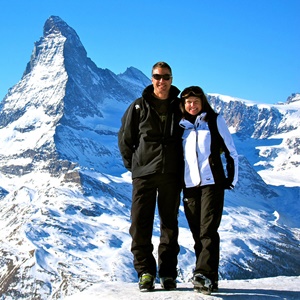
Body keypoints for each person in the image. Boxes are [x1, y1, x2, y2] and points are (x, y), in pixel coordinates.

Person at [118, 62, 183, 292]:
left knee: (170, 226)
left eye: (165, 77)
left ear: (171, 79)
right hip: (144, 175)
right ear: (151, 78)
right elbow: (125, 138)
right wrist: (135, 166)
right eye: (157, 76)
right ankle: (145, 272)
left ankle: (167, 274)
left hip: (171, 175)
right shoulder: (138, 106)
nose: (161, 81)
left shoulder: (180, 106)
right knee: (139, 224)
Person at [179, 86, 238, 295]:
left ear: (202, 102)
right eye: (188, 102)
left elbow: (231, 151)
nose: (192, 105)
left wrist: (231, 178)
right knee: (197, 233)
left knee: (208, 231)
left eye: (195, 101)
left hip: (212, 184)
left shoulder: (214, 121)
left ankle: (202, 274)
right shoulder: (182, 126)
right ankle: (209, 278)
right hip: (190, 186)